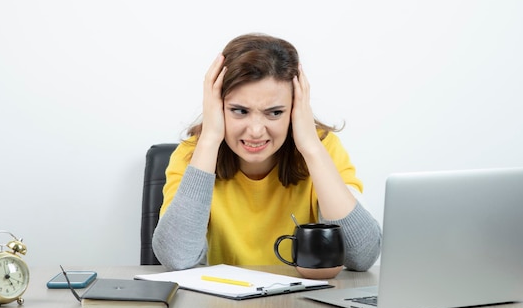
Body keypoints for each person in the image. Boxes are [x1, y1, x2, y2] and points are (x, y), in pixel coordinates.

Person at [152, 33, 381, 271]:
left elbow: (362, 257)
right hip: (221, 305)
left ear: (295, 109)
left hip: (302, 306)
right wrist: (209, 138)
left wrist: (312, 149)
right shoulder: (193, 155)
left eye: (274, 113)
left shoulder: (323, 150)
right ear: (217, 107)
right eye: (239, 111)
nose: (255, 131)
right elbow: (176, 258)